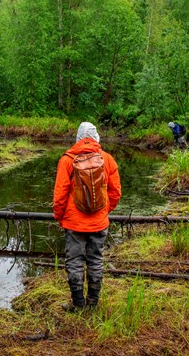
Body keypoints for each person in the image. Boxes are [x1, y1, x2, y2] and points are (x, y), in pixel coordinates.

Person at [53, 122, 122, 311]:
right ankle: (93, 303)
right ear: (96, 137)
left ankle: (78, 304)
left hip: (74, 223)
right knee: (96, 260)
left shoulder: (67, 160)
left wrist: (60, 217)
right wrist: (104, 212)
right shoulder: (107, 159)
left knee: (75, 262)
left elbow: (60, 195)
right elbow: (116, 192)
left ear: (78, 138)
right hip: (99, 222)